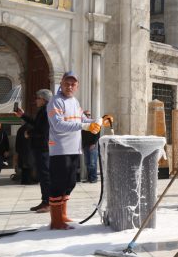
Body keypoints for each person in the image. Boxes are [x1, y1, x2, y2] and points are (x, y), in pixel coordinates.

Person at [47, 72, 112, 230]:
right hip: (60, 149)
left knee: (70, 182)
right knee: (58, 184)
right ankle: (56, 221)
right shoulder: (55, 102)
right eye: (67, 83)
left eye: (73, 84)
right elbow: (58, 125)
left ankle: (62, 215)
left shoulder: (75, 102)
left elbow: (83, 120)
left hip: (74, 148)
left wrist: (100, 121)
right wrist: (84, 126)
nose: (69, 86)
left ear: (77, 86)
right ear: (61, 84)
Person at [16, 89, 53, 212]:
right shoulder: (43, 110)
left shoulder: (47, 111)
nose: (35, 100)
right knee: (42, 175)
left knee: (45, 175)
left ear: (43, 99)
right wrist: (23, 116)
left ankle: (48, 202)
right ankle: (45, 201)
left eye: (37, 98)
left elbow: (43, 131)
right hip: (40, 147)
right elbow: (37, 124)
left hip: (43, 148)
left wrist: (29, 133)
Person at [81, 110, 100, 183]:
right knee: (87, 162)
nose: (87, 116)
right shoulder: (83, 125)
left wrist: (94, 143)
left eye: (89, 115)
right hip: (85, 145)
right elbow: (82, 136)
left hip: (92, 146)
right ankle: (89, 178)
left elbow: (97, 134)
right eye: (86, 115)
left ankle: (94, 178)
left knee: (92, 163)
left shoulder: (94, 123)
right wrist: (82, 145)